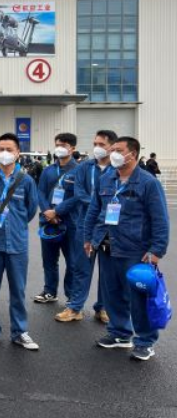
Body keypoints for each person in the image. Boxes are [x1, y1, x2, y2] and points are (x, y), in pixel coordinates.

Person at [84, 136, 170, 361]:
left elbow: (160, 219)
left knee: (138, 298)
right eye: (112, 149)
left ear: (133, 154)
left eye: (119, 150)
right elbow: (94, 210)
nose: (113, 154)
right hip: (106, 246)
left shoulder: (148, 183)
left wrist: (157, 250)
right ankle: (120, 333)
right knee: (112, 294)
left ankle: (145, 341)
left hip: (135, 250)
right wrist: (88, 238)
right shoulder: (106, 178)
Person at [0, 133, 39, 350]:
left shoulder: (26, 180)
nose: (5, 153)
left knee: (18, 291)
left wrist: (16, 224)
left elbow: (31, 210)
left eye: (9, 149)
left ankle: (20, 331)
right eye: (1, 149)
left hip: (17, 244)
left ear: (18, 153)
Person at [68, 130, 117, 324]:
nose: (97, 148)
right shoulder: (84, 167)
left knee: (107, 271)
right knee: (82, 267)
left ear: (112, 147)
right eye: (95, 143)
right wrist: (98, 204)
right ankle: (75, 307)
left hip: (108, 228)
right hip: (85, 225)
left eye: (101, 144)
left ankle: (103, 308)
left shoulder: (117, 169)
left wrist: (100, 206)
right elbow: (79, 193)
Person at [34, 133, 79, 305]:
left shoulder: (79, 171)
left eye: (64, 145)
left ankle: (71, 296)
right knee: (49, 260)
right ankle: (50, 291)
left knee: (72, 262)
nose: (59, 148)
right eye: (57, 144)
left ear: (72, 148)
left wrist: (57, 211)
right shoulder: (48, 170)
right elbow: (40, 192)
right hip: (48, 222)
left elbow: (79, 196)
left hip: (70, 223)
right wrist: (47, 211)